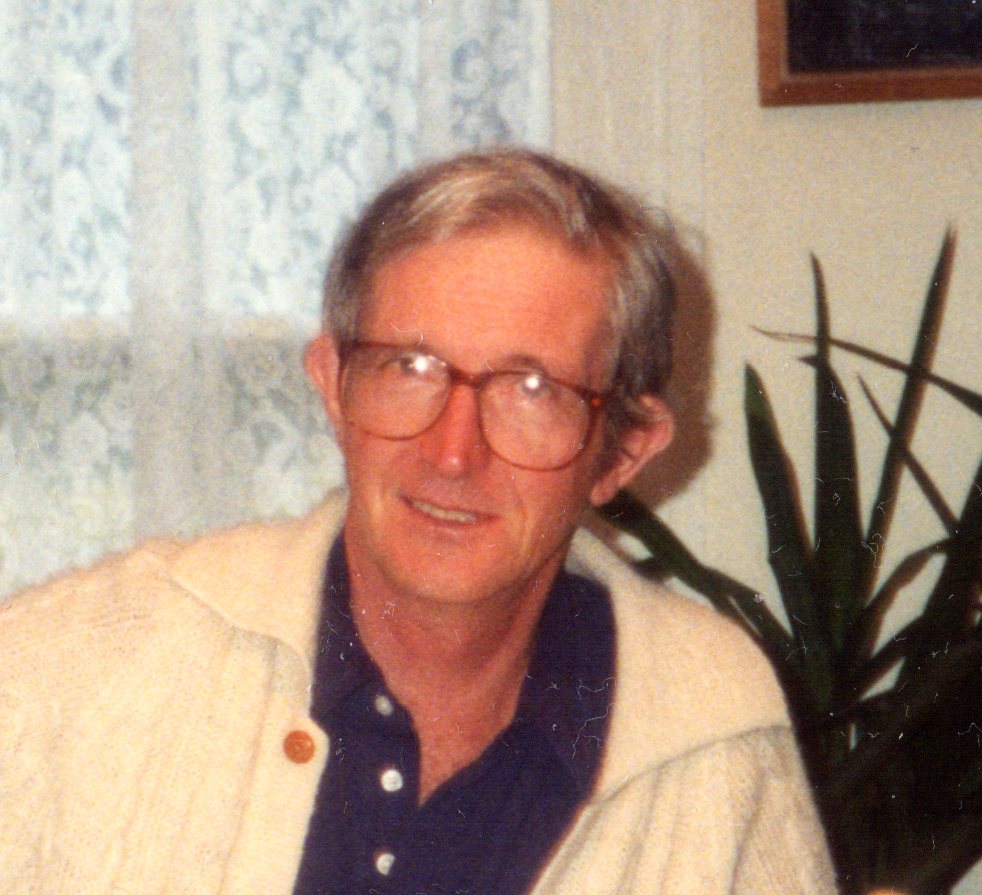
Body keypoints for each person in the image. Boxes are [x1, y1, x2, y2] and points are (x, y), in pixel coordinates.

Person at [0, 148, 836, 894]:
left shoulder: (711, 724)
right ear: (332, 385)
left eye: (532, 389)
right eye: (409, 367)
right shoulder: (69, 663)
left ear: (622, 452)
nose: (452, 451)